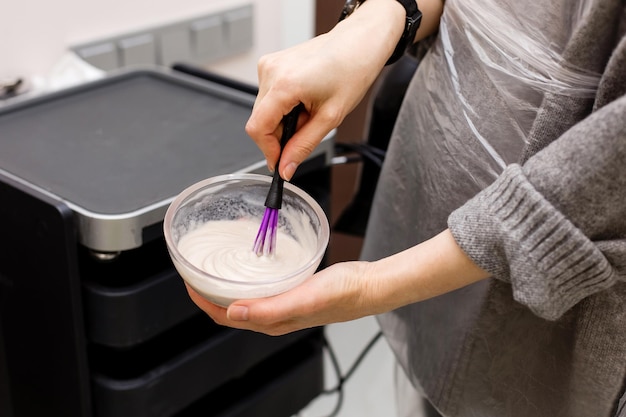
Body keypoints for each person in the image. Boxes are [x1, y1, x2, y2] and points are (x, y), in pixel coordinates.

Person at [186, 0, 626, 415]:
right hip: (427, 217)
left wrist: (371, 286)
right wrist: (385, 16)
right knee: (429, 375)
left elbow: (602, 173)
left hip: (572, 300)